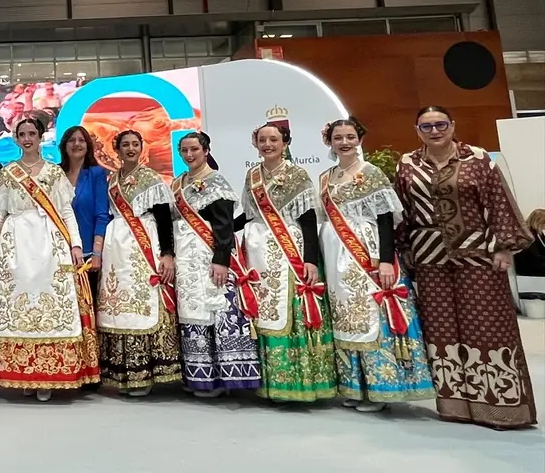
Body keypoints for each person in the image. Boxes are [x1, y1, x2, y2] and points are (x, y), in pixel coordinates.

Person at [394, 106, 537, 429]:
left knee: (487, 328)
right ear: (417, 130)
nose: (434, 131)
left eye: (440, 124)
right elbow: (402, 209)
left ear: (452, 126)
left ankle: (501, 407)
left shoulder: (477, 159)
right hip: (429, 259)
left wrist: (503, 247)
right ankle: (455, 405)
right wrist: (401, 250)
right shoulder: (407, 164)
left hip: (478, 257)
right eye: (426, 126)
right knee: (441, 330)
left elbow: (499, 201)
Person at [0, 117, 100, 401]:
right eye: (22, 134)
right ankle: (22, 373)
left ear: (40, 137)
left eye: (32, 133)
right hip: (15, 244)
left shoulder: (55, 173)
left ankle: (49, 375)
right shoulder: (8, 173)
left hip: (50, 244)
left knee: (51, 306)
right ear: (16, 138)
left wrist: (76, 245)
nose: (27, 138)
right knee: (19, 307)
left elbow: (66, 211)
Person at [319, 117, 433, 412]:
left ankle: (381, 387)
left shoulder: (371, 173)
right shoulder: (325, 177)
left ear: (359, 139)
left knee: (372, 315)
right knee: (345, 317)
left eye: (350, 136)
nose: (344, 142)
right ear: (329, 142)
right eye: (338, 137)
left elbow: (385, 220)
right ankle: (355, 386)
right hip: (335, 258)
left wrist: (385, 261)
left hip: (365, 252)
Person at [242, 120, 337, 403]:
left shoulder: (298, 174)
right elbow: (248, 215)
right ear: (256, 144)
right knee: (263, 312)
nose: (268, 145)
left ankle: (297, 382)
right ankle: (269, 383)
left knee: (291, 311)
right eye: (262, 140)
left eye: (274, 140)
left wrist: (309, 260)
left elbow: (308, 219)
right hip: (258, 250)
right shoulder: (252, 176)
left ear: (285, 143)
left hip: (289, 249)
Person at [171, 131, 261, 397]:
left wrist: (221, 260)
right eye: (184, 150)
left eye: (194, 150)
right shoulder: (179, 183)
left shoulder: (215, 181)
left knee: (214, 311)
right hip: (185, 257)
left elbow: (224, 225)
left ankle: (222, 378)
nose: (189, 155)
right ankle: (199, 376)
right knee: (191, 311)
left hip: (208, 256)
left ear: (206, 150)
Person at [99, 129, 181, 396]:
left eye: (135, 144)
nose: (131, 149)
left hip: (143, 243)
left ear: (141, 148)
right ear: (118, 149)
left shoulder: (150, 178)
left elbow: (164, 218)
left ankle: (146, 372)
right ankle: (122, 372)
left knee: (143, 300)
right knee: (119, 305)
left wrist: (167, 254)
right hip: (117, 248)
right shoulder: (112, 179)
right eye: (126, 145)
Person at [59, 126, 109, 304]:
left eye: (81, 140)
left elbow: (102, 215)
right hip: (60, 253)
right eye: (72, 140)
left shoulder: (97, 173)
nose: (76, 144)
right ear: (64, 146)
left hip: (88, 255)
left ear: (88, 146)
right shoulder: (55, 174)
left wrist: (97, 253)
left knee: (89, 307)